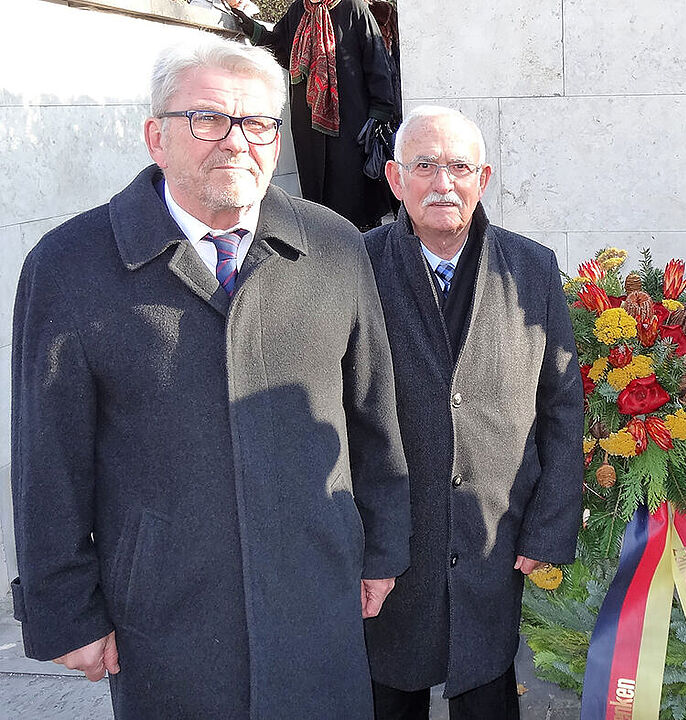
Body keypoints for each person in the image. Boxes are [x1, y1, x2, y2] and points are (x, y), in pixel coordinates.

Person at [9, 36, 411, 718]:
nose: (235, 141)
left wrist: (383, 546)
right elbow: (47, 459)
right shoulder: (69, 265)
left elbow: (373, 410)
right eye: (207, 119)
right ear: (155, 137)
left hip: (316, 592)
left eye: (257, 123)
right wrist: (64, 608)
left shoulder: (335, 245)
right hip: (166, 612)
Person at [362, 106, 584, 719]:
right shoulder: (357, 266)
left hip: (493, 537)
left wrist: (548, 525)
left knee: (487, 687)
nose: (443, 183)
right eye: (424, 165)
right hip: (391, 545)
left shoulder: (531, 268)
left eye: (459, 166)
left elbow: (561, 403)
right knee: (389, 692)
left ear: (483, 178)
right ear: (394, 176)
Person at [226, 0, 399, 230]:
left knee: (351, 189)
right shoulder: (299, 10)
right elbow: (280, 46)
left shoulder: (353, 7)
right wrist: (250, 27)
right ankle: (321, 239)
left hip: (351, 119)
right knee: (315, 186)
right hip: (307, 121)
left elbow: (375, 59)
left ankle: (360, 241)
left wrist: (380, 110)